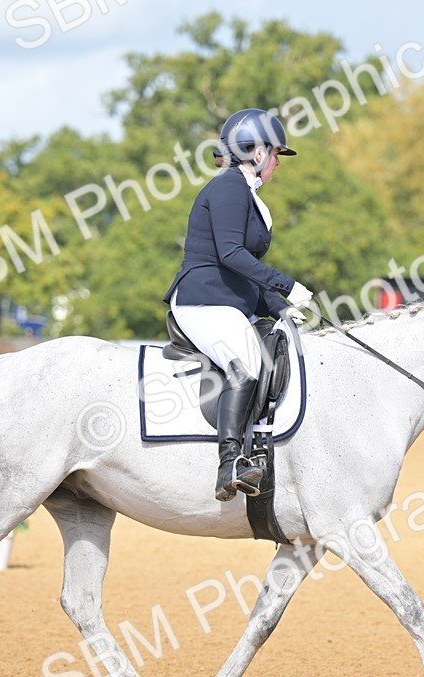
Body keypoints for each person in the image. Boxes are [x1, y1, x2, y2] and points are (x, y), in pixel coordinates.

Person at [162, 108, 314, 501]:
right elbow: (231, 255)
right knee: (246, 363)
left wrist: (281, 309)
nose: (278, 163)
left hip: (229, 301)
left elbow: (247, 270)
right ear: (257, 152)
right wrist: (287, 285)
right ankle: (230, 462)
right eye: (277, 154)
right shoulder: (229, 187)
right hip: (203, 300)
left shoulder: (245, 193)